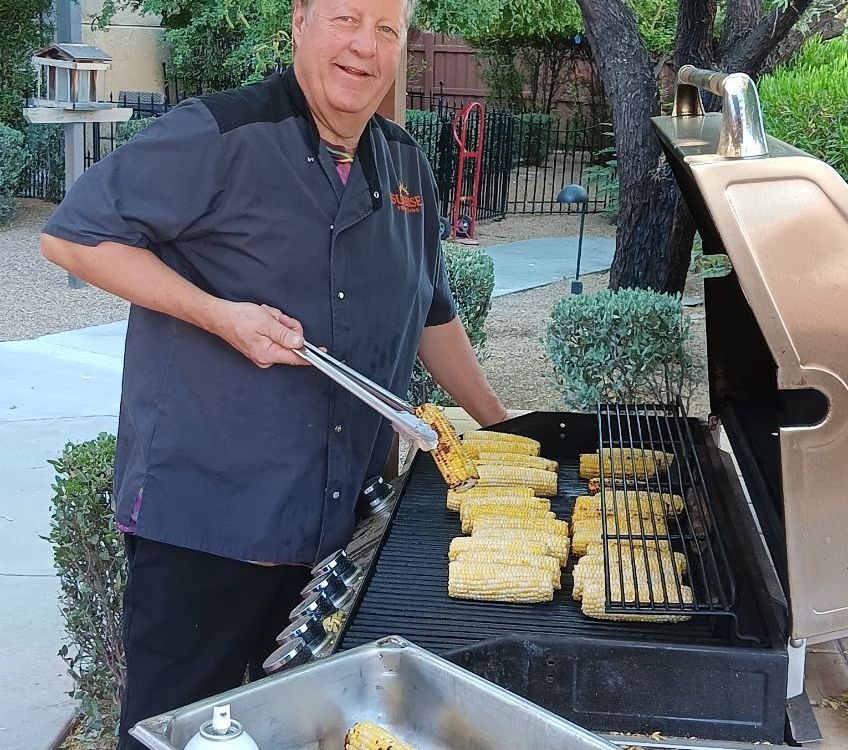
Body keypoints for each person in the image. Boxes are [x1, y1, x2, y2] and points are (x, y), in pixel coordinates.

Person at [40, 0, 507, 745]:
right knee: (180, 734)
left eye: (386, 30)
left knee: (307, 735)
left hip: (341, 522)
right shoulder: (218, 133)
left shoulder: (404, 163)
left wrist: (501, 426)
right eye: (346, 20)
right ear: (299, 21)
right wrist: (220, 316)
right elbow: (73, 238)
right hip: (210, 525)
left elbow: (431, 312)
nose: (364, 46)